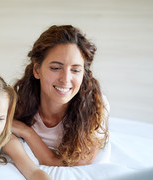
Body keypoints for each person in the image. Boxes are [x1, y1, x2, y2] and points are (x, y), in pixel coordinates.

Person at [11, 25, 109, 167]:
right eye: (56, 68)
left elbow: (75, 164)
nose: (65, 79)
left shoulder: (96, 107)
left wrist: (28, 133)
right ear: (37, 70)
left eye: (75, 70)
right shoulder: (17, 103)